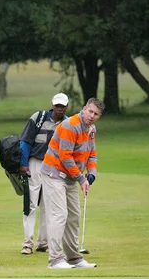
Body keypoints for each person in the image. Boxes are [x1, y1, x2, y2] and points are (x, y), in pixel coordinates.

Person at [40, 97, 104, 269]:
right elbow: (65, 156)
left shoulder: (91, 129)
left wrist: (91, 173)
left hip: (69, 177)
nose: (91, 116)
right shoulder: (70, 125)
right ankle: (55, 260)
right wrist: (81, 178)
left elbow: (91, 153)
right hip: (53, 173)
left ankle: (74, 258)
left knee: (74, 216)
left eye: (96, 114)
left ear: (99, 116)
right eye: (90, 111)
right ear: (84, 109)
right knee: (59, 215)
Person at [19, 93, 69, 255]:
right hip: (35, 163)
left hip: (53, 166)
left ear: (66, 107)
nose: (59, 109)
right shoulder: (38, 118)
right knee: (31, 204)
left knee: (48, 205)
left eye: (62, 106)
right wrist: (23, 164)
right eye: (57, 106)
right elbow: (25, 142)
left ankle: (43, 242)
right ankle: (27, 243)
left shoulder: (67, 124)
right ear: (53, 105)